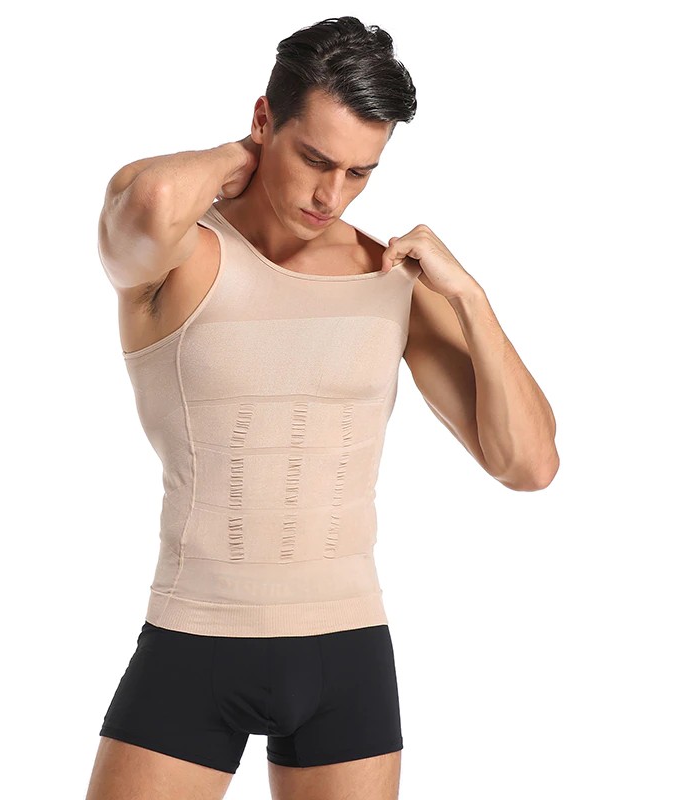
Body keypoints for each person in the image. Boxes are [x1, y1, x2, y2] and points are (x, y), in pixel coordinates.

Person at [86, 14, 559, 800]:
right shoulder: (178, 257)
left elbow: (530, 464)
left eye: (359, 172)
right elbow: (152, 200)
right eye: (314, 158)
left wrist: (472, 300)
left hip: (347, 650)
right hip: (195, 637)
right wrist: (244, 157)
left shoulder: (391, 278)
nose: (330, 195)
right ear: (264, 119)